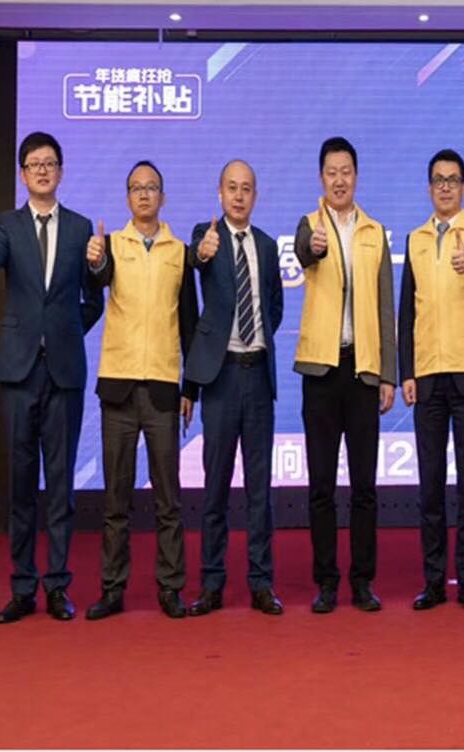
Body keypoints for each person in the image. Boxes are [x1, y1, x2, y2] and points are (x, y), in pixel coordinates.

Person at [0, 131, 104, 623]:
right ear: (23, 174)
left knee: (61, 485)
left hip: (63, 371)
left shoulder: (81, 228)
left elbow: (94, 298)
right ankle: (23, 586)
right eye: (34, 164)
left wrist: (97, 268)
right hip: (19, 371)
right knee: (21, 483)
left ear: (61, 171)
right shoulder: (6, 225)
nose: (42, 170)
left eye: (50, 163)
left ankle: (57, 586)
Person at [83, 160, 198, 620]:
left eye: (151, 188)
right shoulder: (112, 245)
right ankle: (113, 589)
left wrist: (191, 387)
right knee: (116, 500)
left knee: (168, 499)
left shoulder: (179, 252)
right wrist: (96, 261)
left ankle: (170, 588)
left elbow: (188, 323)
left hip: (164, 389)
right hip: (119, 388)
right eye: (136, 188)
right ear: (128, 197)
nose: (144, 194)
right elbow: (97, 278)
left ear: (163, 197)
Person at [293, 137, 396, 613]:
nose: (339, 180)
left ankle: (362, 580)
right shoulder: (309, 225)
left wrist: (388, 374)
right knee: (320, 486)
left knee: (364, 487)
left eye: (346, 171)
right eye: (331, 172)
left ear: (356, 176)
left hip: (362, 372)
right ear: (321, 178)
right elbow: (304, 251)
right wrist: (312, 248)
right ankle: (327, 581)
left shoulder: (374, 231)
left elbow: (385, 306)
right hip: (321, 370)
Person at [184, 159, 285, 616]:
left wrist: (256, 339)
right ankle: (211, 583)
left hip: (258, 375)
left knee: (259, 489)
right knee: (216, 487)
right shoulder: (205, 236)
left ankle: (261, 583)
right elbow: (195, 258)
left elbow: (275, 306)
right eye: (232, 188)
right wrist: (202, 252)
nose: (239, 196)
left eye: (246, 189)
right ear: (220, 193)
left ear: (255, 196)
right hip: (221, 377)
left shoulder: (266, 245)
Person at [398, 149, 464, 611]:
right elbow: (405, 313)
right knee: (430, 484)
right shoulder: (415, 239)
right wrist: (406, 372)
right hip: (429, 377)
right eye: (438, 180)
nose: (446, 187)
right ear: (429, 187)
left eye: (453, 180)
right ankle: (434, 579)